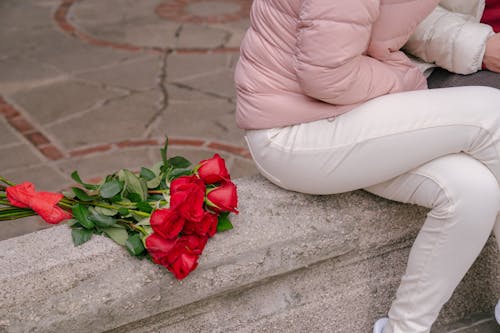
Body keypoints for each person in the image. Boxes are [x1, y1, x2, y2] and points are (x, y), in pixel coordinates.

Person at [234, 0, 500, 332]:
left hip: (347, 114)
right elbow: (325, 74)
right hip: (293, 132)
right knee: (493, 114)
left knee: (473, 189)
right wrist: (403, 81)